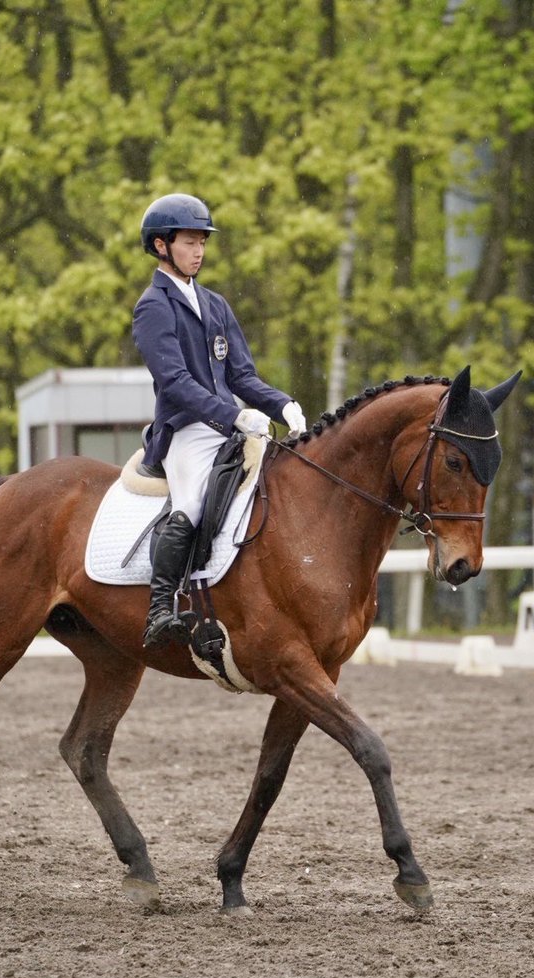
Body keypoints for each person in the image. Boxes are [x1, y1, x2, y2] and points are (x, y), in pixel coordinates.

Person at [133, 192, 306, 649]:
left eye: (202, 242)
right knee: (190, 505)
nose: (200, 251)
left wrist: (281, 405)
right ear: (160, 246)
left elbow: (241, 374)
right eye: (190, 242)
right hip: (186, 430)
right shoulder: (153, 306)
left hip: (230, 426)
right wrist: (233, 415)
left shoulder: (215, 305)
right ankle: (160, 607)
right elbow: (174, 382)